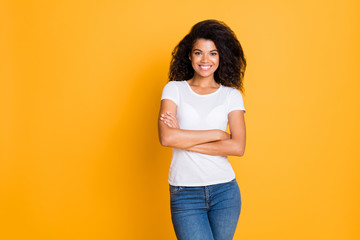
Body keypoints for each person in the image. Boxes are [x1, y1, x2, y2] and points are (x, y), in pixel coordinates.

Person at [158, 19, 247, 240]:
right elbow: (167, 137)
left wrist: (185, 139)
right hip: (185, 192)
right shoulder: (174, 89)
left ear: (221, 57)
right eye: (199, 52)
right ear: (189, 56)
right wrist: (217, 135)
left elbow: (237, 147)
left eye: (213, 53)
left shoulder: (231, 95)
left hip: (225, 192)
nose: (205, 59)